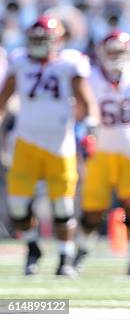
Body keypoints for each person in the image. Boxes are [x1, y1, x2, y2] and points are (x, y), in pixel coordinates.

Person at [0, 16, 98, 277]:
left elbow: (86, 103)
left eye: (43, 39)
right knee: (18, 206)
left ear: (57, 40)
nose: (38, 44)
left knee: (63, 207)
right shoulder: (19, 61)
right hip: (25, 143)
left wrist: (85, 128)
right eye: (35, 39)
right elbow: (3, 100)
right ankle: (33, 247)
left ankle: (64, 259)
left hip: (60, 145)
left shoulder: (70, 63)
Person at [75, 31, 130, 279]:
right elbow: (79, 110)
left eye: (120, 51)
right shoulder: (89, 77)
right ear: (102, 53)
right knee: (92, 210)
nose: (115, 56)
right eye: (111, 51)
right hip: (101, 150)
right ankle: (79, 254)